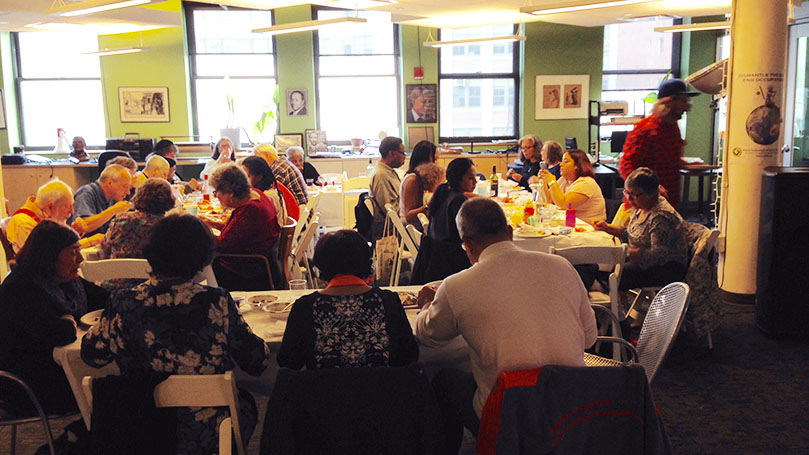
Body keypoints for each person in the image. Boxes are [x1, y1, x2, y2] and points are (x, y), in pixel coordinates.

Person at [414, 198, 597, 454]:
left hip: (508, 414)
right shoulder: (562, 267)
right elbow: (589, 339)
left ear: (466, 245)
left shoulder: (457, 286)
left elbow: (429, 335)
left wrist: (426, 306)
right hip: (573, 408)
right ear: (510, 232)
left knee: (444, 379)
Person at [81, 214, 270, 454]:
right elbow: (255, 360)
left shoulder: (124, 301)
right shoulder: (216, 301)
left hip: (141, 423)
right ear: (202, 257)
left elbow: (93, 356)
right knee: (246, 405)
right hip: (206, 430)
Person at [0, 221, 108, 416]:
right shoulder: (19, 289)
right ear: (49, 256)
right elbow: (58, 334)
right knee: (113, 387)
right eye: (73, 252)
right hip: (30, 385)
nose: (81, 259)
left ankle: (88, 437)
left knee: (119, 380)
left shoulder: (65, 279)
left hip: (58, 369)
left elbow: (105, 299)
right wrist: (66, 324)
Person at [278, 229, 419, 370]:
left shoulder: (305, 307)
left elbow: (288, 361)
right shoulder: (388, 301)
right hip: (382, 391)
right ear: (366, 262)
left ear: (321, 266)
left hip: (323, 391)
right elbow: (409, 355)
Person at [594, 167, 688, 290]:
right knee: (596, 266)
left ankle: (609, 302)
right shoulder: (640, 206)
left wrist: (627, 252)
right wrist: (606, 227)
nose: (629, 198)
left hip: (664, 270)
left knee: (610, 273)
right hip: (642, 263)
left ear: (650, 194)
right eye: (626, 192)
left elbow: (658, 256)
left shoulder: (660, 217)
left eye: (633, 194)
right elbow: (632, 233)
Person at [619, 78, 699, 210]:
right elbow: (626, 166)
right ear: (669, 102)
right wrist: (650, 186)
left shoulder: (673, 127)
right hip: (644, 204)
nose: (687, 106)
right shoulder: (645, 129)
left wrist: (686, 165)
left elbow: (664, 159)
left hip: (668, 201)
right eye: (683, 101)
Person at [204, 163, 281, 291]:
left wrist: (199, 231)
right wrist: (209, 222)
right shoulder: (256, 194)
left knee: (202, 262)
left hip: (248, 270)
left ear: (230, 193)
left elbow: (223, 244)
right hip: (258, 260)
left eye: (217, 192)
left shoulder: (251, 210)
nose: (216, 196)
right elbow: (236, 229)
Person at [412, 158, 477, 283]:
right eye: (470, 178)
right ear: (458, 178)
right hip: (449, 261)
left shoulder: (443, 192)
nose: (475, 182)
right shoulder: (458, 200)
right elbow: (468, 233)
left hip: (437, 258)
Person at [6, 178, 100, 253]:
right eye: (68, 207)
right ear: (50, 207)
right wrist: (89, 241)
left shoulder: (46, 216)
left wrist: (72, 233)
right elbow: (48, 254)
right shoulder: (22, 222)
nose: (72, 211)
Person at [539, 149, 606, 225]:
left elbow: (563, 204)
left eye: (566, 161)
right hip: (572, 226)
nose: (561, 164)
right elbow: (548, 200)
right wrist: (543, 181)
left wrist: (552, 182)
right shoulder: (564, 180)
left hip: (590, 229)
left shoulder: (586, 183)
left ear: (577, 166)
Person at [70, 164, 133, 236]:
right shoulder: (86, 193)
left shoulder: (113, 197)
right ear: (110, 182)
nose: (128, 192)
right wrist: (113, 210)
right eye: (125, 187)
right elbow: (83, 227)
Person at [369, 136, 406, 240]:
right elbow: (390, 211)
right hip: (392, 231)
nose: (405, 157)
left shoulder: (388, 171)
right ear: (392, 153)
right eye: (402, 153)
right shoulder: (381, 175)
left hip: (396, 227)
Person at [399, 140, 438, 227]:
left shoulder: (419, 178)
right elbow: (409, 216)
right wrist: (428, 206)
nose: (436, 164)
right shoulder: (413, 180)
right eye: (434, 160)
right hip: (411, 228)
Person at [241, 155, 289, 226]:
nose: (243, 181)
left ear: (259, 177)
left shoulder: (266, 196)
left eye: (247, 177)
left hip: (273, 235)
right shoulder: (269, 190)